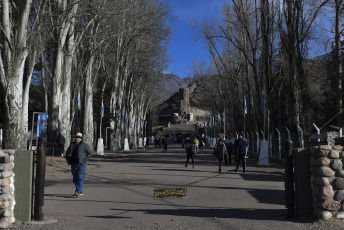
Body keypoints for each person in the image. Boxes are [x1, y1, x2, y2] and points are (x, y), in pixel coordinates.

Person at [65, 133, 92, 197]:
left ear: (81, 138)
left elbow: (90, 153)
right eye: (76, 137)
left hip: (81, 164)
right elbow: (68, 151)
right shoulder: (72, 144)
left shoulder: (85, 145)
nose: (76, 138)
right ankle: (80, 191)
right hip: (73, 163)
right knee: (75, 179)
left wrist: (84, 161)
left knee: (80, 178)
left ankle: (77, 191)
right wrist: (67, 158)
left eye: (78, 137)